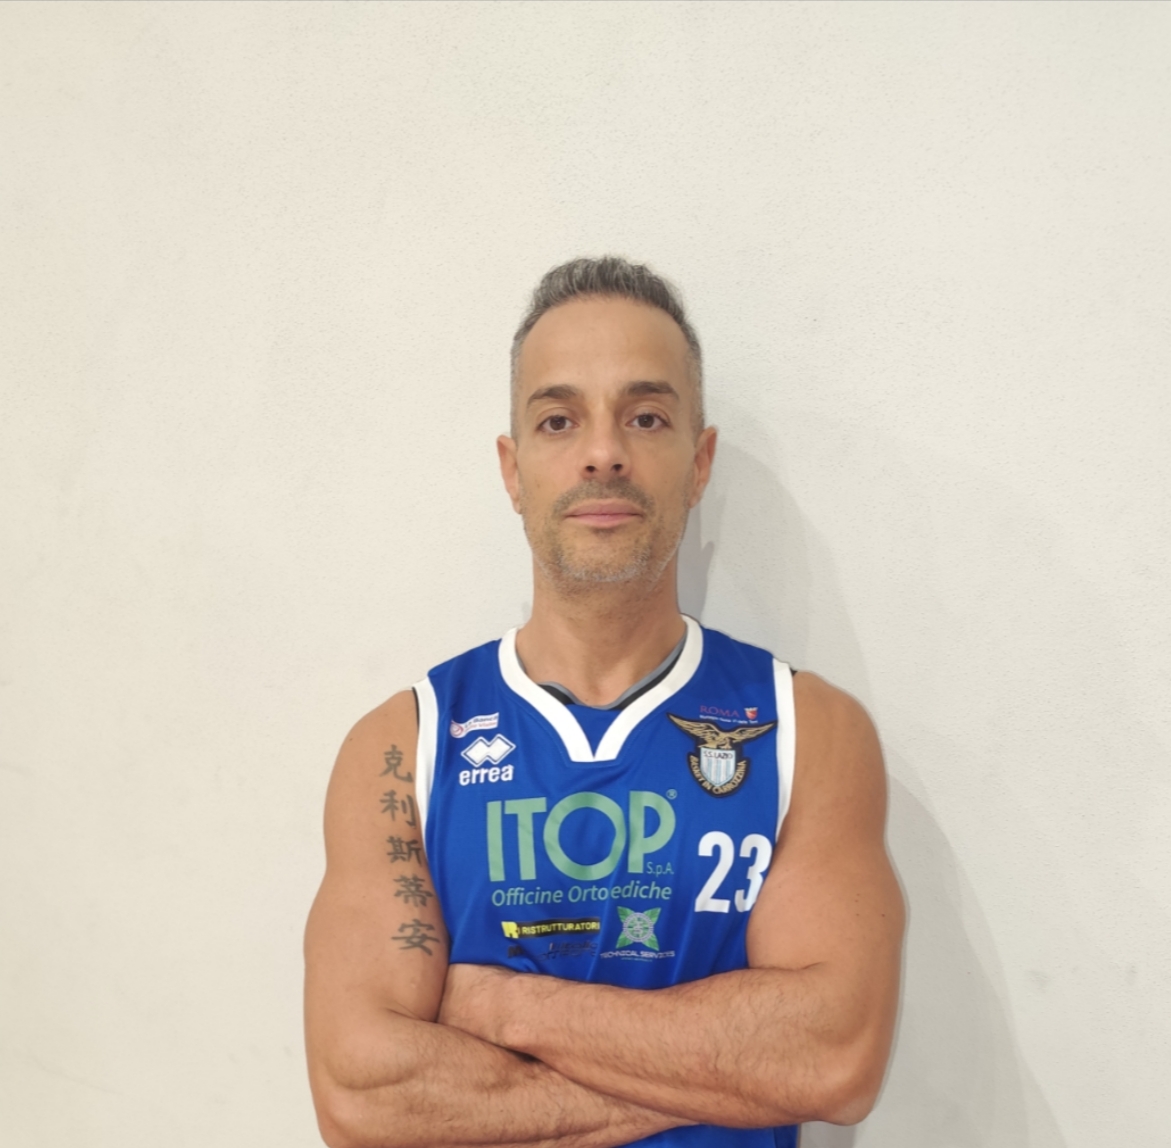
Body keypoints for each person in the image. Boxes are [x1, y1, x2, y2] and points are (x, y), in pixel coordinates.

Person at [303, 257, 905, 1148]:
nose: (602, 452)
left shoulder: (805, 731)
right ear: (512, 470)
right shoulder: (403, 748)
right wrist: (731, 1073)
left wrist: (502, 1008)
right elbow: (364, 1099)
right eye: (558, 419)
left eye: (645, 416)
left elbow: (831, 1058)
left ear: (698, 463)